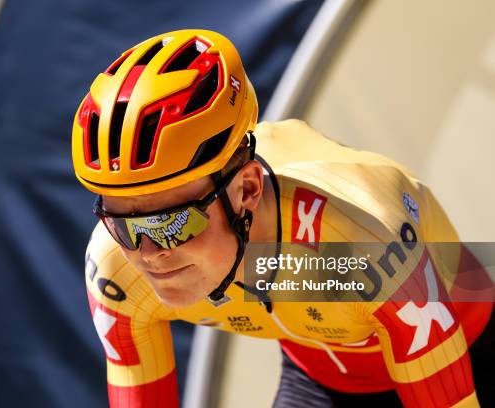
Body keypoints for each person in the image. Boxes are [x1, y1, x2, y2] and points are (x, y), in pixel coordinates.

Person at [71, 29, 493, 407]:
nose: (147, 255)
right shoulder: (112, 265)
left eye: (171, 225)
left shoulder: (358, 239)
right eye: (124, 224)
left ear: (247, 191)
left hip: (469, 344)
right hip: (320, 372)